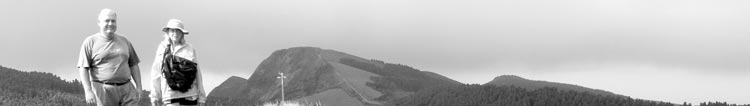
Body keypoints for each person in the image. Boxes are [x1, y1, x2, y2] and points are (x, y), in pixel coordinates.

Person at [77, 8, 142, 106]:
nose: (110, 24)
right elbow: (83, 68)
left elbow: (134, 65)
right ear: (99, 22)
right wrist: (88, 91)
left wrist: (139, 87)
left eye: (113, 21)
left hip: (127, 89)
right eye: (107, 21)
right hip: (103, 91)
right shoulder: (90, 42)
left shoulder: (125, 41)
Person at [150, 19, 207, 106]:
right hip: (170, 96)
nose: (175, 33)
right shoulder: (162, 49)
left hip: (190, 95)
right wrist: (155, 96)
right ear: (168, 32)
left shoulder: (189, 49)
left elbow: (197, 72)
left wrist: (202, 97)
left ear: (182, 34)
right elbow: (156, 73)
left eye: (178, 31)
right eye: (172, 30)